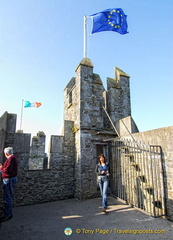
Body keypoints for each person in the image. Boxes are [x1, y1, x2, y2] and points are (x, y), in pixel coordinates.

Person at [0, 147, 18, 222]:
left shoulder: (11, 159)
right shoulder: (12, 158)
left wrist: (1, 168)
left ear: (6, 153)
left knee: (7, 197)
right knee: (8, 196)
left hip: (9, 179)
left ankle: (8, 214)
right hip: (10, 179)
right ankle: (7, 213)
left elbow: (7, 170)